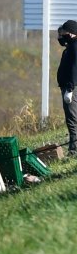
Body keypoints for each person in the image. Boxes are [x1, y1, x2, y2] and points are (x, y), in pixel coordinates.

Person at [57, 20, 77, 155]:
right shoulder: (71, 46)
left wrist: (70, 88)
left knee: (72, 120)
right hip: (70, 87)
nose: (61, 36)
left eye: (63, 33)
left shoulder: (74, 46)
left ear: (70, 33)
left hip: (72, 89)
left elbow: (75, 68)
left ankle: (74, 150)